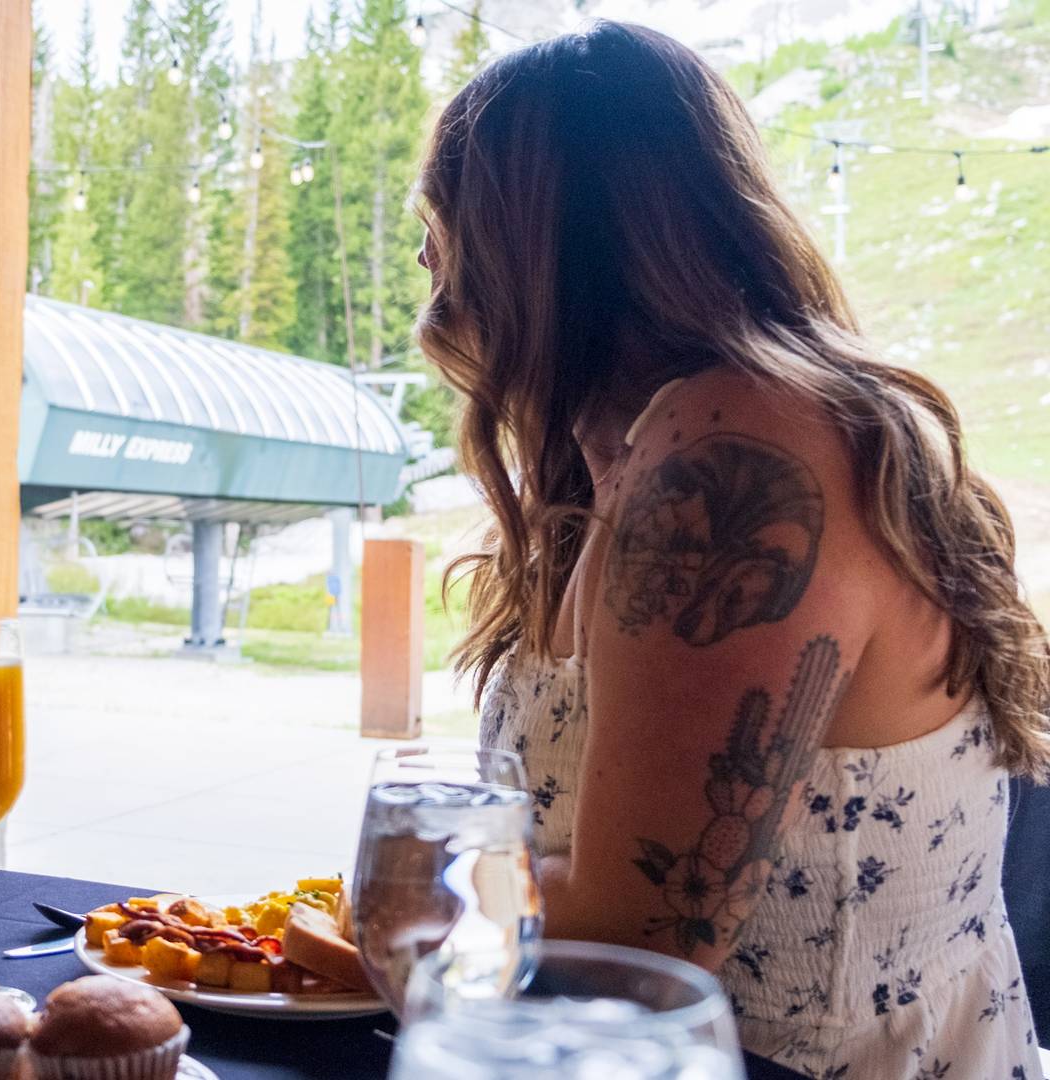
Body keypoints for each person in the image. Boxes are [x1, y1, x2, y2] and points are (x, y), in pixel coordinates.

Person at [417, 22, 1048, 1079]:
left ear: (530, 239)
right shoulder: (620, 464)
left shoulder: (742, 444)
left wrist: (412, 883)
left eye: (441, 222)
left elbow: (642, 941)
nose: (428, 263)